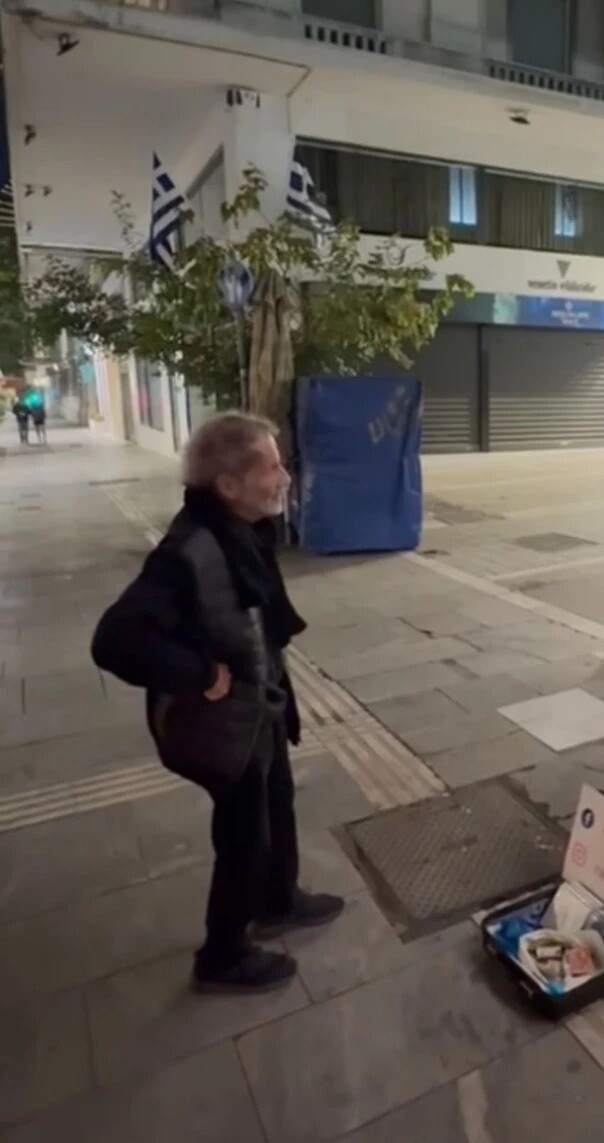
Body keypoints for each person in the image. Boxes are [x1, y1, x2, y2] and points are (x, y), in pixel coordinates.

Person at [92, 412, 343, 993]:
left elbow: (259, 624)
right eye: (273, 465)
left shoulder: (243, 530)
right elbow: (115, 640)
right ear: (229, 484)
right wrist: (198, 671)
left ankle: (278, 899)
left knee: (278, 799)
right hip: (223, 727)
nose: (285, 475)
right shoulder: (188, 550)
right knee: (241, 834)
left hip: (261, 710)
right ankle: (223, 954)